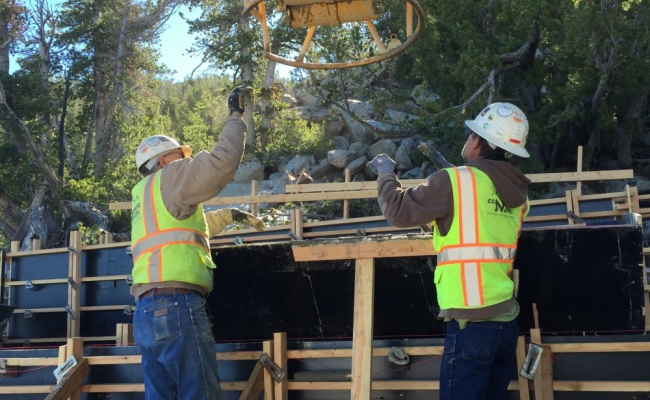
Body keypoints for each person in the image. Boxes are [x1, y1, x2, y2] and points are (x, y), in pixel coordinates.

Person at [369, 102, 532, 400]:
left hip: (471, 325)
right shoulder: (519, 197)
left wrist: (385, 174)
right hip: (505, 323)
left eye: (472, 133)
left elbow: (396, 210)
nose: (467, 138)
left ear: (479, 142)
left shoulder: (455, 180)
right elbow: (482, 232)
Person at [130, 85, 253, 400]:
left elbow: (180, 234)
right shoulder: (171, 177)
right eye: (178, 155)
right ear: (161, 162)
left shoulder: (144, 195)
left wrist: (227, 216)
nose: (184, 159)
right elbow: (219, 164)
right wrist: (236, 116)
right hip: (176, 305)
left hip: (145, 312)